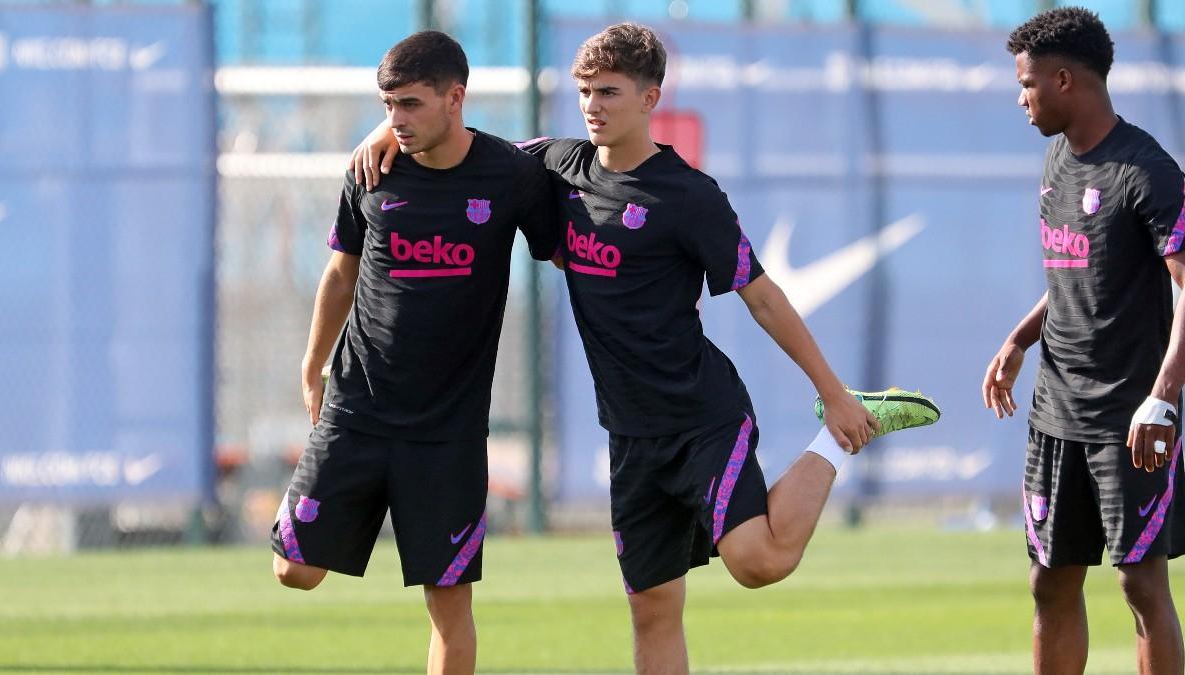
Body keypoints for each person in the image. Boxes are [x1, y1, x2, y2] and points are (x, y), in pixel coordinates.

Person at [353, 22, 939, 673]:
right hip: (631, 436)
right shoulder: (557, 163)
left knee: (758, 561)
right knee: (653, 611)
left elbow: (764, 297)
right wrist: (387, 132)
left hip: (700, 417)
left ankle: (840, 433)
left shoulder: (688, 196)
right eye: (583, 92)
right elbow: (462, 145)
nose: (592, 106)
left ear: (650, 97)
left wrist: (830, 395)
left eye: (608, 91)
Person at [271, 31, 557, 675]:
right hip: (358, 408)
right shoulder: (371, 169)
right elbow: (340, 274)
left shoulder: (510, 175)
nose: (395, 120)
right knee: (295, 570)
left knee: (448, 603)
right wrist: (312, 364)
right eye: (387, 106)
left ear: (456, 99)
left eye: (409, 105)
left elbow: (564, 220)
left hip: (447, 430)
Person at [982, 7, 1185, 674]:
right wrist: (1019, 339)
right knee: (1050, 578)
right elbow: (1079, 270)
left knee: (1140, 583)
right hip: (1055, 411)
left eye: (1028, 83)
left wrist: (1162, 397)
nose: (1021, 98)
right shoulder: (1057, 159)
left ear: (1066, 80)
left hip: (1129, 415)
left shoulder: (1147, 170)